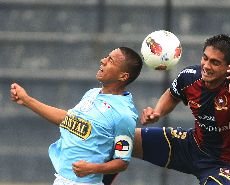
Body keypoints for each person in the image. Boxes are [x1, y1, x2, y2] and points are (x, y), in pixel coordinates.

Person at [98, 34, 230, 185]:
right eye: (205, 58)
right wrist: (158, 112)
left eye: (215, 62)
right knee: (120, 141)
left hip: (228, 164)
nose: (206, 66)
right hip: (192, 146)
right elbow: (173, 94)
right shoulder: (190, 76)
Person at [10, 47, 143, 185]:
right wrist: (26, 100)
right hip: (61, 179)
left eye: (111, 60)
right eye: (106, 57)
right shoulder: (92, 93)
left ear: (123, 76)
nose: (102, 61)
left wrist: (93, 169)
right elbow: (66, 120)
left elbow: (122, 162)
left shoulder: (124, 115)